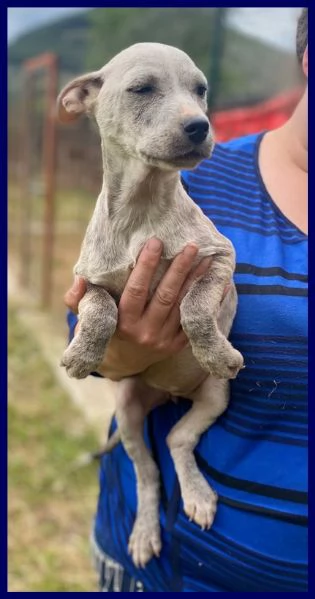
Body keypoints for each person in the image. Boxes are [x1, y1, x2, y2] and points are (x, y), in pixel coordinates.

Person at [65, 8, 308, 592]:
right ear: (86, 100)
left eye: (199, 92)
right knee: (130, 411)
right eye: (146, 89)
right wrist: (116, 344)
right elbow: (84, 327)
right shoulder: (184, 179)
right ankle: (150, 493)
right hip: (176, 567)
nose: (195, 115)